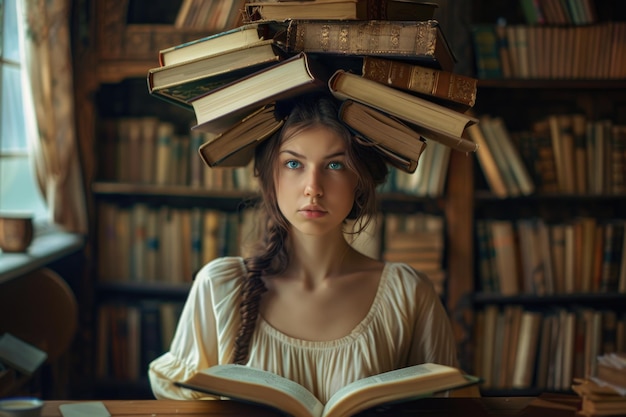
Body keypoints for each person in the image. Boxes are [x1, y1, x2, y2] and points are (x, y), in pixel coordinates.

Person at [148, 92, 459, 403]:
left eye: (335, 165)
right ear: (270, 174)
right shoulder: (219, 289)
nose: (313, 187)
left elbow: (448, 408)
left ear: (360, 179)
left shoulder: (408, 295)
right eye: (294, 163)